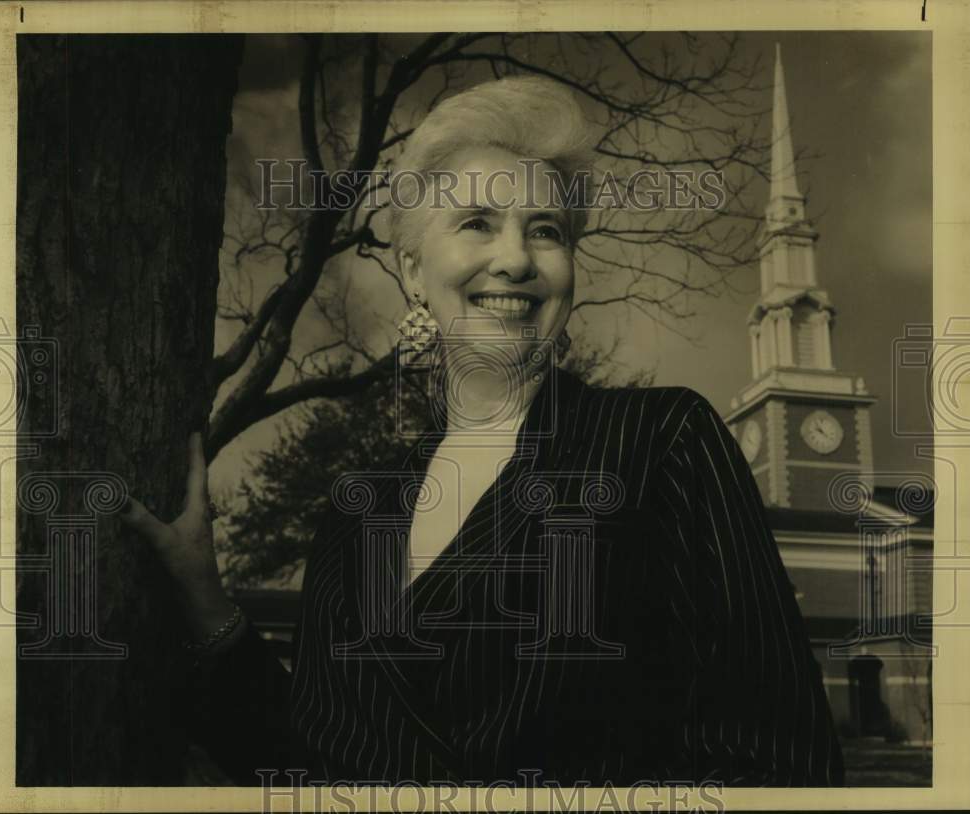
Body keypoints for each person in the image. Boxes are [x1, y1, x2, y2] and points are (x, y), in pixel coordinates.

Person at [120, 75, 845, 788]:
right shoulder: (358, 509)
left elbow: (779, 762)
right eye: (476, 224)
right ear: (412, 269)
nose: (517, 259)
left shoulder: (662, 442)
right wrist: (204, 597)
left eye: (546, 232)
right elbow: (312, 762)